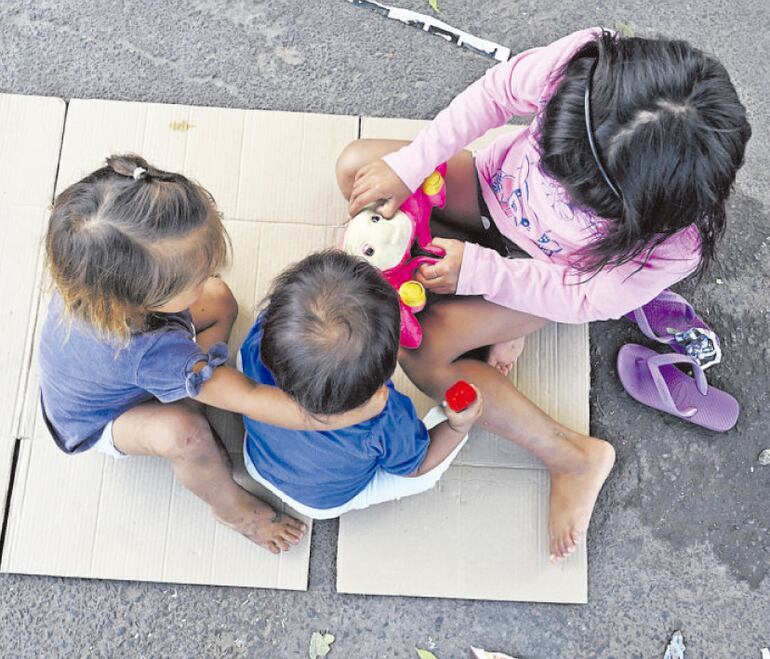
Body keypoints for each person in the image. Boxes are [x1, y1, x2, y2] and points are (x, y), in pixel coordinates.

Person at [336, 28, 751, 561]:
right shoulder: (583, 63)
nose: (554, 190)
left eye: (579, 200)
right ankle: (487, 319)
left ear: (651, 214)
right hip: (490, 192)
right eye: (550, 158)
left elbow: (584, 299)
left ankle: (573, 456)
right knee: (358, 169)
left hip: (544, 276)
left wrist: (485, 274)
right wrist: (410, 165)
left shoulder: (677, 244)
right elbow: (493, 94)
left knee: (421, 350)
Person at [40, 154, 385, 554]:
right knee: (185, 435)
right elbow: (253, 399)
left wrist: (194, 297)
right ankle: (234, 511)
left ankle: (192, 386)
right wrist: (346, 414)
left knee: (220, 299)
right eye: (197, 275)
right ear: (138, 297)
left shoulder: (90, 271)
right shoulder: (152, 354)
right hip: (99, 420)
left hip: (121, 368)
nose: (213, 272)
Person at [239, 249, 483, 518]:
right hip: (321, 502)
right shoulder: (383, 416)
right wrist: (456, 426)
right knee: (425, 472)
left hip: (257, 461)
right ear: (388, 364)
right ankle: (456, 426)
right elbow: (416, 465)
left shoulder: (257, 342)